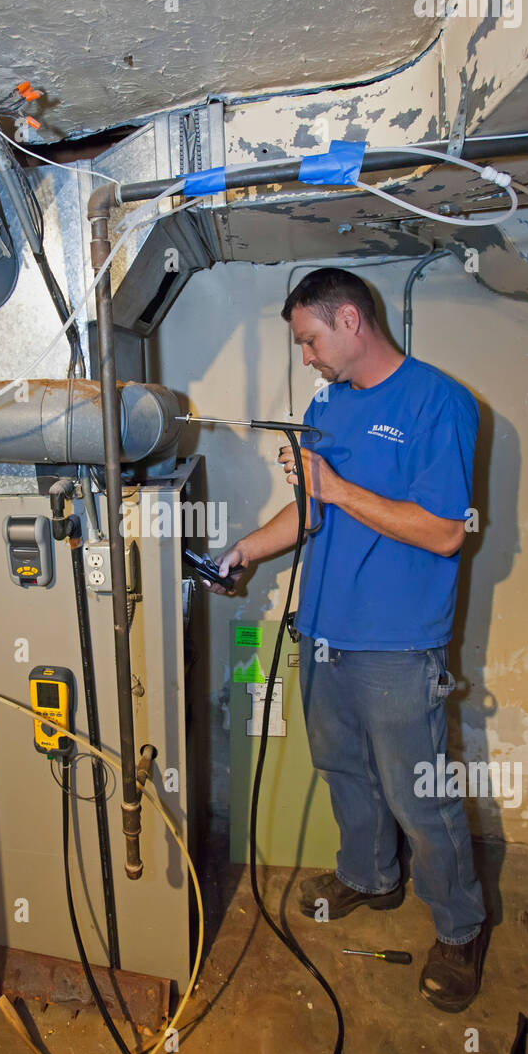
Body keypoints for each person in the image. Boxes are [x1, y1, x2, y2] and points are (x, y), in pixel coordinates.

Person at [207, 267, 488, 1012]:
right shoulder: (329, 404)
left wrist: (332, 486)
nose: (306, 358)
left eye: (309, 340)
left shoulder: (440, 403)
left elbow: (442, 532)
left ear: (351, 320)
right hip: (324, 631)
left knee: (416, 795)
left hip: (397, 643)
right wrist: (242, 551)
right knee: (343, 770)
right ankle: (370, 878)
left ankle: (461, 927)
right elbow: (310, 513)